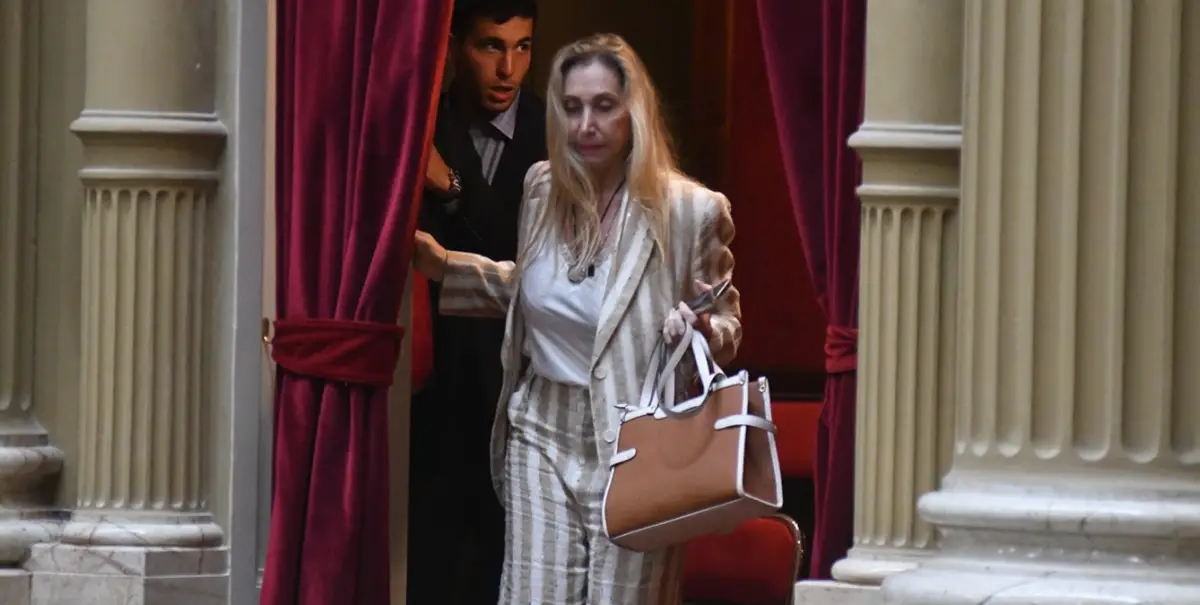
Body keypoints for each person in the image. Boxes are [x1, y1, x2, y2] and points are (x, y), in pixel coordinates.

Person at [412, 33, 742, 604]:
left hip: (639, 439)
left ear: (634, 112)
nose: (586, 124)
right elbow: (536, 293)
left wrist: (704, 329)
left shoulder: (692, 211)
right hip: (542, 429)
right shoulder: (542, 187)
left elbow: (729, 325)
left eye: (603, 106)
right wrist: (444, 266)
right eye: (572, 107)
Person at [406, 1, 545, 603]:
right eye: (491, 46)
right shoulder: (419, 124)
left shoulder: (557, 132)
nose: (507, 69)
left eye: (522, 47)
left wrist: (451, 184)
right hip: (430, 395)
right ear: (456, 46)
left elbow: (533, 265)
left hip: (520, 400)